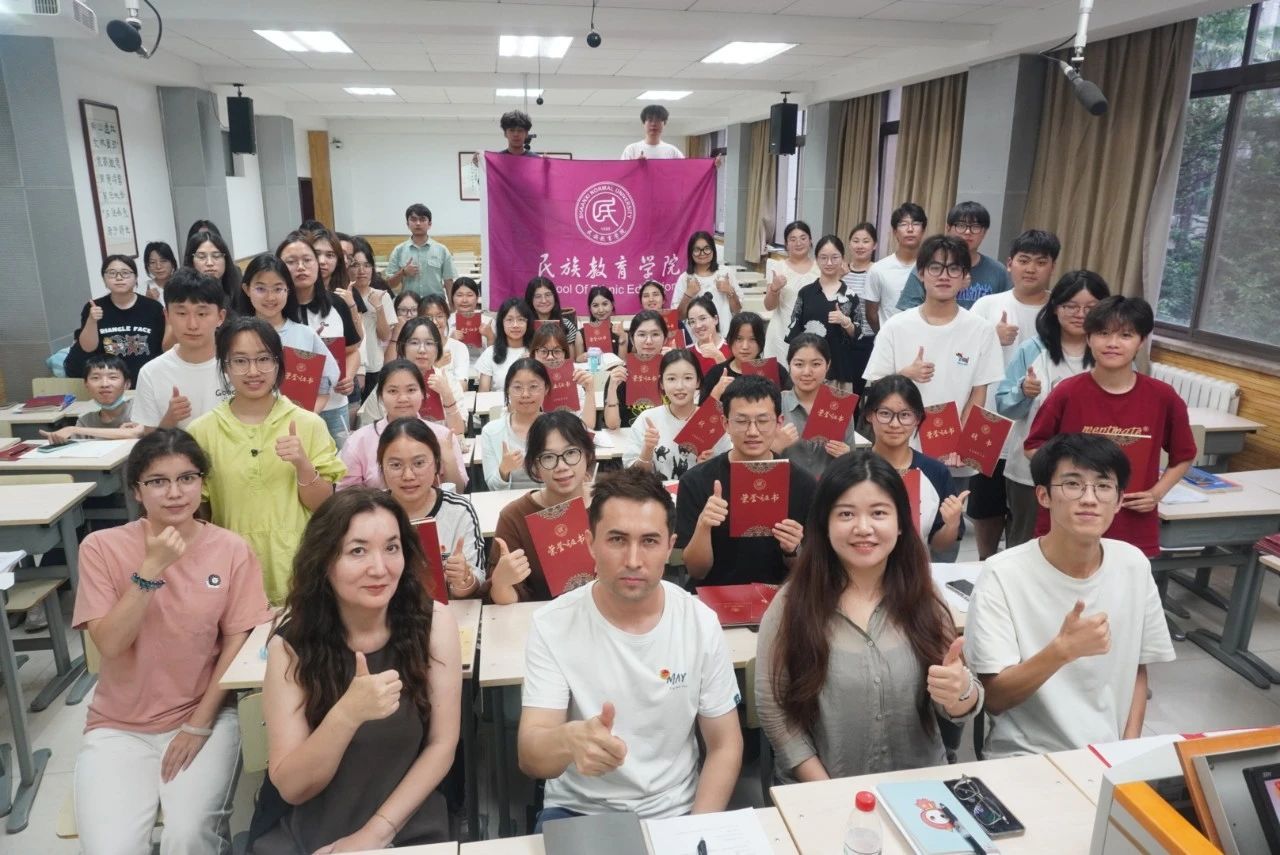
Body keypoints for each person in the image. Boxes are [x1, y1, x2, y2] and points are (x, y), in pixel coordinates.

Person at [73, 429, 272, 854]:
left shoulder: (231, 549)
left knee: (187, 836)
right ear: (136, 491)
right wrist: (151, 569)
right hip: (118, 726)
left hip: (202, 714)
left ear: (202, 483)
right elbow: (110, 645)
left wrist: (198, 724)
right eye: (158, 481)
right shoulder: (101, 548)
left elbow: (236, 643)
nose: (175, 493)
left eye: (187, 478)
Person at [517, 469, 741, 827]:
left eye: (649, 541)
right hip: (580, 809)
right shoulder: (553, 624)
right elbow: (530, 755)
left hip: (677, 809)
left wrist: (696, 829)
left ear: (670, 546)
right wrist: (568, 740)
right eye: (617, 540)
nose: (633, 560)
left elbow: (725, 745)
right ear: (590, 543)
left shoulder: (699, 622)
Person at [252, 489, 460, 852]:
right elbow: (292, 788)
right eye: (357, 551)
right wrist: (346, 715)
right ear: (324, 560)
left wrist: (376, 833)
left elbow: (442, 745)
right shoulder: (291, 647)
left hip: (405, 824)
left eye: (392, 547)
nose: (379, 568)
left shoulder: (433, 624)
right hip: (311, 833)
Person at [755, 451, 981, 783]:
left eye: (879, 513)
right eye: (846, 514)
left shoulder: (924, 596)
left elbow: (959, 702)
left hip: (920, 791)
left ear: (901, 524)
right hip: (825, 791)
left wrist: (961, 692)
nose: (863, 528)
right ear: (824, 524)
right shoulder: (792, 604)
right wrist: (827, 789)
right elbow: (774, 709)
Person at [965, 433, 1176, 757]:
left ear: (1119, 500)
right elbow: (994, 699)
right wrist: (1061, 651)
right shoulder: (1002, 574)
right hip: (1026, 756)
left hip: (1110, 754)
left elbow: (1136, 668)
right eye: (1073, 484)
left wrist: (1128, 750)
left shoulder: (1133, 564)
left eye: (1103, 486)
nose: (1089, 498)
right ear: (1043, 495)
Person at [187, 316, 345, 604]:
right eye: (240, 361)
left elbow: (324, 505)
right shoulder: (202, 431)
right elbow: (200, 512)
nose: (253, 371)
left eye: (263, 359)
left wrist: (303, 465)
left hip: (298, 566)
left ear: (278, 363)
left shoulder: (308, 424)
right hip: (232, 567)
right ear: (225, 366)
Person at [1025, 297, 1197, 557]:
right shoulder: (1067, 393)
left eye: (1126, 335)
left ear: (1141, 341)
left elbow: (1184, 455)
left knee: (1124, 579)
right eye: (1103, 333)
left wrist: (1156, 493)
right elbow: (1033, 447)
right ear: (1089, 338)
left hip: (1131, 522)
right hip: (1070, 519)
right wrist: (1071, 479)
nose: (1113, 343)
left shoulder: (1163, 397)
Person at [965, 229, 1061, 559]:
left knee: (1029, 507)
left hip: (1040, 426)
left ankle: (1021, 564)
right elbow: (961, 355)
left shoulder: (1061, 310)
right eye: (1024, 260)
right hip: (989, 418)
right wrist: (991, 337)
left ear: (1052, 267)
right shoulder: (987, 305)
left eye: (1041, 262)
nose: (1031, 268)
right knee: (985, 505)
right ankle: (984, 563)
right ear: (1010, 264)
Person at [996, 271, 1110, 547]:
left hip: (1093, 472)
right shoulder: (1032, 349)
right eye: (1071, 306)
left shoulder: (1110, 352)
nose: (1080, 314)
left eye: (1090, 307)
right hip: (1032, 470)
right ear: (1056, 307)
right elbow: (1004, 406)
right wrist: (1023, 392)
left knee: (1082, 545)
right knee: (1026, 544)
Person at [863, 234, 1004, 449]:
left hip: (952, 450)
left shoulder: (982, 330)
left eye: (953, 269)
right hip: (899, 447)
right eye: (935, 268)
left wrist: (962, 444)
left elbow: (978, 394)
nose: (944, 276)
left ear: (965, 276)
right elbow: (876, 386)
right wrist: (904, 375)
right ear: (921, 273)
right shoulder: (895, 326)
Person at [676, 375, 816, 588]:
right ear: (725, 423)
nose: (752, 431)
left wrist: (792, 550)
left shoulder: (803, 484)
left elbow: (809, 574)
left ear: (779, 422)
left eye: (763, 421)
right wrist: (704, 526)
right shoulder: (695, 481)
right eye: (741, 421)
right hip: (715, 595)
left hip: (779, 597)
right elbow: (697, 571)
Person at [487, 411, 598, 604]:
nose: (561, 466)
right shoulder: (514, 517)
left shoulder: (610, 505)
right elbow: (508, 602)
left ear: (587, 455)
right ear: (534, 467)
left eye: (571, 453)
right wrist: (501, 584)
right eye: (548, 457)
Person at [378, 417, 485, 598]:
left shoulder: (459, 511)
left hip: (447, 610)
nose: (408, 475)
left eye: (419, 463)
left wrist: (463, 580)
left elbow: (475, 582)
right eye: (396, 465)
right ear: (382, 468)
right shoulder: (370, 514)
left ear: (436, 463)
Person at [862, 375, 967, 557]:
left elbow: (939, 546)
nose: (895, 424)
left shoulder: (935, 472)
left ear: (918, 419)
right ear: (870, 415)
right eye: (885, 413)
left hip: (913, 570)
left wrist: (951, 524)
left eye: (905, 415)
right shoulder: (852, 470)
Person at [277, 231, 361, 448]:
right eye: (291, 262)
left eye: (307, 260)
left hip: (334, 405)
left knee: (340, 461)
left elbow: (352, 351)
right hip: (287, 410)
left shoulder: (337, 304)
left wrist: (349, 376)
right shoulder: (274, 309)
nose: (301, 267)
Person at [236, 254, 341, 417]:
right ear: (246, 289)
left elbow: (326, 381)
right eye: (261, 289)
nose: (270, 297)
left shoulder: (305, 334)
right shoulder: (236, 337)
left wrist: (305, 418)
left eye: (278, 289)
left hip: (296, 424)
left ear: (288, 290)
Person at [341, 360, 468, 491]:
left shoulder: (442, 436)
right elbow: (347, 494)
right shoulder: (358, 441)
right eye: (393, 391)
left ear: (423, 393)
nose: (403, 399)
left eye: (411, 390)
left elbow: (458, 491)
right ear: (381, 396)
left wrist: (448, 460)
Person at [132, 267, 230, 431]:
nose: (192, 325)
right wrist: (169, 420)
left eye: (202, 314)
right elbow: (150, 440)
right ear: (167, 316)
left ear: (220, 317)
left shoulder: (240, 364)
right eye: (182, 313)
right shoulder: (151, 373)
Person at [624, 349, 730, 480]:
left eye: (688, 378)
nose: (679, 386)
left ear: (698, 381)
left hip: (698, 493)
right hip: (656, 492)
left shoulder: (714, 421)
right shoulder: (647, 419)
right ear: (662, 383)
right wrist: (647, 450)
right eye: (671, 379)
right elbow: (632, 477)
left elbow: (729, 471)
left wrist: (709, 466)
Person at [895, 201, 1013, 313]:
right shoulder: (929, 266)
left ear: (984, 232)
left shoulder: (998, 271)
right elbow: (908, 312)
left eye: (975, 227)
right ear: (948, 228)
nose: (968, 232)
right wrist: (952, 288)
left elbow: (1008, 309)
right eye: (961, 225)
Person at [773, 335, 860, 482]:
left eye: (816, 364)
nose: (807, 372)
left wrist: (847, 456)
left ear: (828, 365)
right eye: (799, 364)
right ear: (789, 365)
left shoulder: (841, 406)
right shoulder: (775, 404)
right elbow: (758, 458)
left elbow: (853, 465)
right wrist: (776, 446)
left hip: (828, 489)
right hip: (786, 488)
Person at [67, 255, 166, 382]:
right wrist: (92, 320)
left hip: (147, 379)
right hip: (108, 383)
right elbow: (87, 347)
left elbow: (163, 348)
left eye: (125, 273)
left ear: (136, 277)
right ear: (104, 279)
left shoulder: (153, 308)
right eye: (112, 273)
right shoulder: (94, 307)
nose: (119, 278)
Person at [358, 321, 466, 435]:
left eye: (429, 343)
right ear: (402, 347)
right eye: (414, 343)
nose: (422, 350)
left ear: (438, 349)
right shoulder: (388, 382)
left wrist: (447, 396)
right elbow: (369, 432)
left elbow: (459, 431)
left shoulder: (447, 380)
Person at [784, 235, 860, 390]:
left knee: (836, 406)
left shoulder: (850, 296)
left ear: (842, 259)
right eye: (823, 258)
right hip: (808, 371)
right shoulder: (806, 293)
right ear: (817, 260)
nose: (829, 263)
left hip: (840, 371)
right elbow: (794, 332)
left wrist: (846, 323)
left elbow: (858, 335)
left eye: (835, 257)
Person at [480, 357, 552, 491]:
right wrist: (504, 470)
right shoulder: (491, 432)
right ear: (508, 389)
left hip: (552, 500)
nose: (525, 394)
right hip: (509, 502)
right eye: (518, 387)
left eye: (533, 387)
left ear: (546, 388)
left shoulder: (558, 429)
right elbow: (493, 487)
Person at [41, 354, 143, 445]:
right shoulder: (85, 421)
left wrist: (73, 430)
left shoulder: (140, 409)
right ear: (86, 385)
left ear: (127, 384)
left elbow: (136, 433)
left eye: (113, 377)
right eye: (95, 378)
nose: (104, 384)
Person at [698, 312, 791, 402]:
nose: (745, 346)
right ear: (730, 339)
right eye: (739, 339)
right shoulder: (716, 373)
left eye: (752, 339)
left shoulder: (775, 370)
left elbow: (791, 406)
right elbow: (701, 412)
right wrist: (716, 393)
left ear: (761, 341)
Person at [601, 310, 669, 429]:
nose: (649, 341)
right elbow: (612, 425)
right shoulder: (621, 376)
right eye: (642, 335)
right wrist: (612, 387)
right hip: (631, 436)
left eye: (655, 334)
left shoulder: (672, 372)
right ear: (632, 339)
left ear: (665, 339)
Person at [864, 203, 926, 331]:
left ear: (923, 230)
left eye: (916, 224)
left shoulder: (932, 268)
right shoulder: (879, 269)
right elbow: (871, 314)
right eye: (903, 224)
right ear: (895, 232)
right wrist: (886, 335)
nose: (910, 229)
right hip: (890, 339)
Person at [763, 221, 818, 362]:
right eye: (792, 239)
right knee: (780, 372)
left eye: (803, 238)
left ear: (810, 241)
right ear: (786, 244)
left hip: (812, 332)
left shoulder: (820, 268)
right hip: (781, 332)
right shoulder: (778, 267)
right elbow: (769, 306)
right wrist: (774, 289)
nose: (798, 243)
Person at [350, 236, 396, 400]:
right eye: (356, 265)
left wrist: (378, 308)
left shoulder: (382, 296)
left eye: (367, 265)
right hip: (350, 366)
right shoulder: (343, 295)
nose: (362, 270)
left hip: (374, 365)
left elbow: (385, 336)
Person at [385, 203, 457, 302]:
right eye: (413, 219)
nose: (418, 223)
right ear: (407, 224)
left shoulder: (442, 250)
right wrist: (403, 272)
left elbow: (448, 281)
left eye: (422, 219)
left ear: (429, 224)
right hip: (409, 306)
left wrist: (452, 307)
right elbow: (390, 284)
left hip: (436, 305)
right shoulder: (399, 250)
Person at [531, 322, 598, 427]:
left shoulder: (574, 378)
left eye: (557, 351)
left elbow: (587, 426)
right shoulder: (525, 380)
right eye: (543, 351)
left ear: (564, 354)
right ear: (534, 354)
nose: (550, 357)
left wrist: (589, 389)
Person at [674, 232, 742, 336]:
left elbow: (737, 310)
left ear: (713, 250)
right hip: (695, 337)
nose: (702, 253)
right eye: (697, 250)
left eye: (707, 248)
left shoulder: (725, 273)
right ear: (691, 253)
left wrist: (729, 290)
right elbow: (679, 317)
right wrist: (688, 294)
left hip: (724, 335)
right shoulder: (685, 278)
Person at [840, 222, 879, 396]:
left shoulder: (878, 272)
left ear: (874, 245)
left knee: (856, 392)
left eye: (866, 241)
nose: (860, 245)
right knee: (836, 390)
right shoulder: (841, 271)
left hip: (867, 339)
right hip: (841, 338)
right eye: (856, 241)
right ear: (849, 244)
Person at [476, 297, 534, 392]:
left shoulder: (537, 352)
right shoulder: (490, 353)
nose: (515, 325)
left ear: (528, 323)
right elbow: (483, 393)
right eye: (509, 320)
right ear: (501, 323)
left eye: (521, 319)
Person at [420, 294, 471, 387]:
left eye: (439, 316)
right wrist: (436, 365)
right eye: (428, 318)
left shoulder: (459, 347)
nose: (434, 322)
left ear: (447, 317)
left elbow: (462, 385)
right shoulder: (415, 348)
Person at [526, 276, 580, 358]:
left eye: (548, 295)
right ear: (530, 300)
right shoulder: (524, 325)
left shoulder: (566, 325)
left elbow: (569, 360)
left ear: (554, 297)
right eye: (538, 296)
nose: (544, 300)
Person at [448, 276, 495, 363]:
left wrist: (490, 337)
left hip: (482, 368)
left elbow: (496, 357)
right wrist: (450, 341)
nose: (464, 300)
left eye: (469, 295)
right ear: (452, 298)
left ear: (477, 298)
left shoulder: (489, 322)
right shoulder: (446, 322)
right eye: (459, 295)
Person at [578, 285, 626, 358]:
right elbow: (577, 362)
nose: (601, 310)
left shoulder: (620, 333)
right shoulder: (580, 335)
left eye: (605, 304)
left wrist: (623, 340)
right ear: (590, 308)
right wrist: (582, 358)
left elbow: (623, 362)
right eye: (595, 305)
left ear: (612, 305)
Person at [685, 296, 729, 376]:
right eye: (692, 321)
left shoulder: (733, 349)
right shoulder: (686, 353)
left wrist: (719, 357)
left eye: (702, 318)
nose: (698, 325)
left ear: (715, 319)